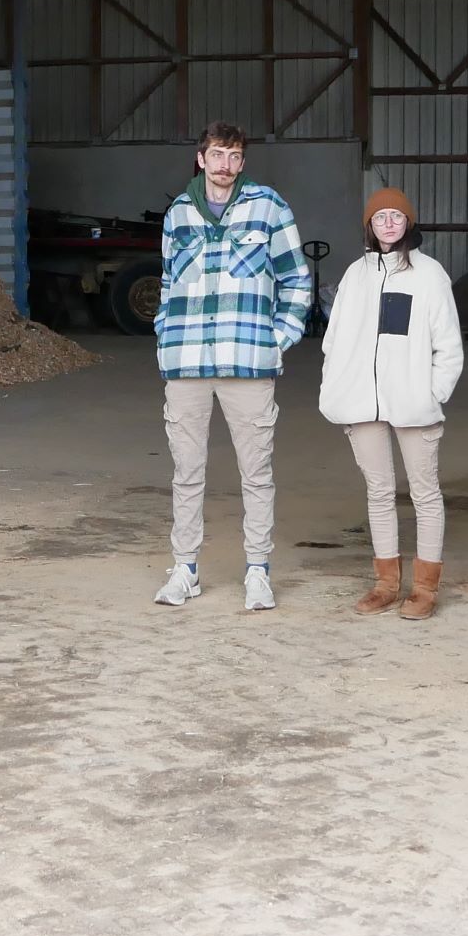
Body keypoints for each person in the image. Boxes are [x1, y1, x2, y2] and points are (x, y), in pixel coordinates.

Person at [152, 121, 312, 613]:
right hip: (186, 361)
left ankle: (258, 571)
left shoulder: (269, 207)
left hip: (248, 361)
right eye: (218, 154)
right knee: (186, 471)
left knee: (256, 472)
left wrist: (276, 342)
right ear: (201, 158)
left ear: (243, 162)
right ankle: (185, 569)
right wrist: (164, 332)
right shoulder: (178, 214)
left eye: (235, 156)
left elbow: (296, 281)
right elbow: (167, 282)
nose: (226, 164)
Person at [319, 187, 464, 619]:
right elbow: (334, 338)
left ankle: (425, 588)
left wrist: (434, 392)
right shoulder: (355, 275)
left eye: (396, 217)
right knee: (379, 491)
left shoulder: (429, 274)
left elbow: (448, 342)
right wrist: (336, 383)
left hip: (413, 403)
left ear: (408, 223)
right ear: (369, 225)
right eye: (379, 217)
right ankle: (385, 584)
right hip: (362, 401)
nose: (388, 224)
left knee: (424, 492)